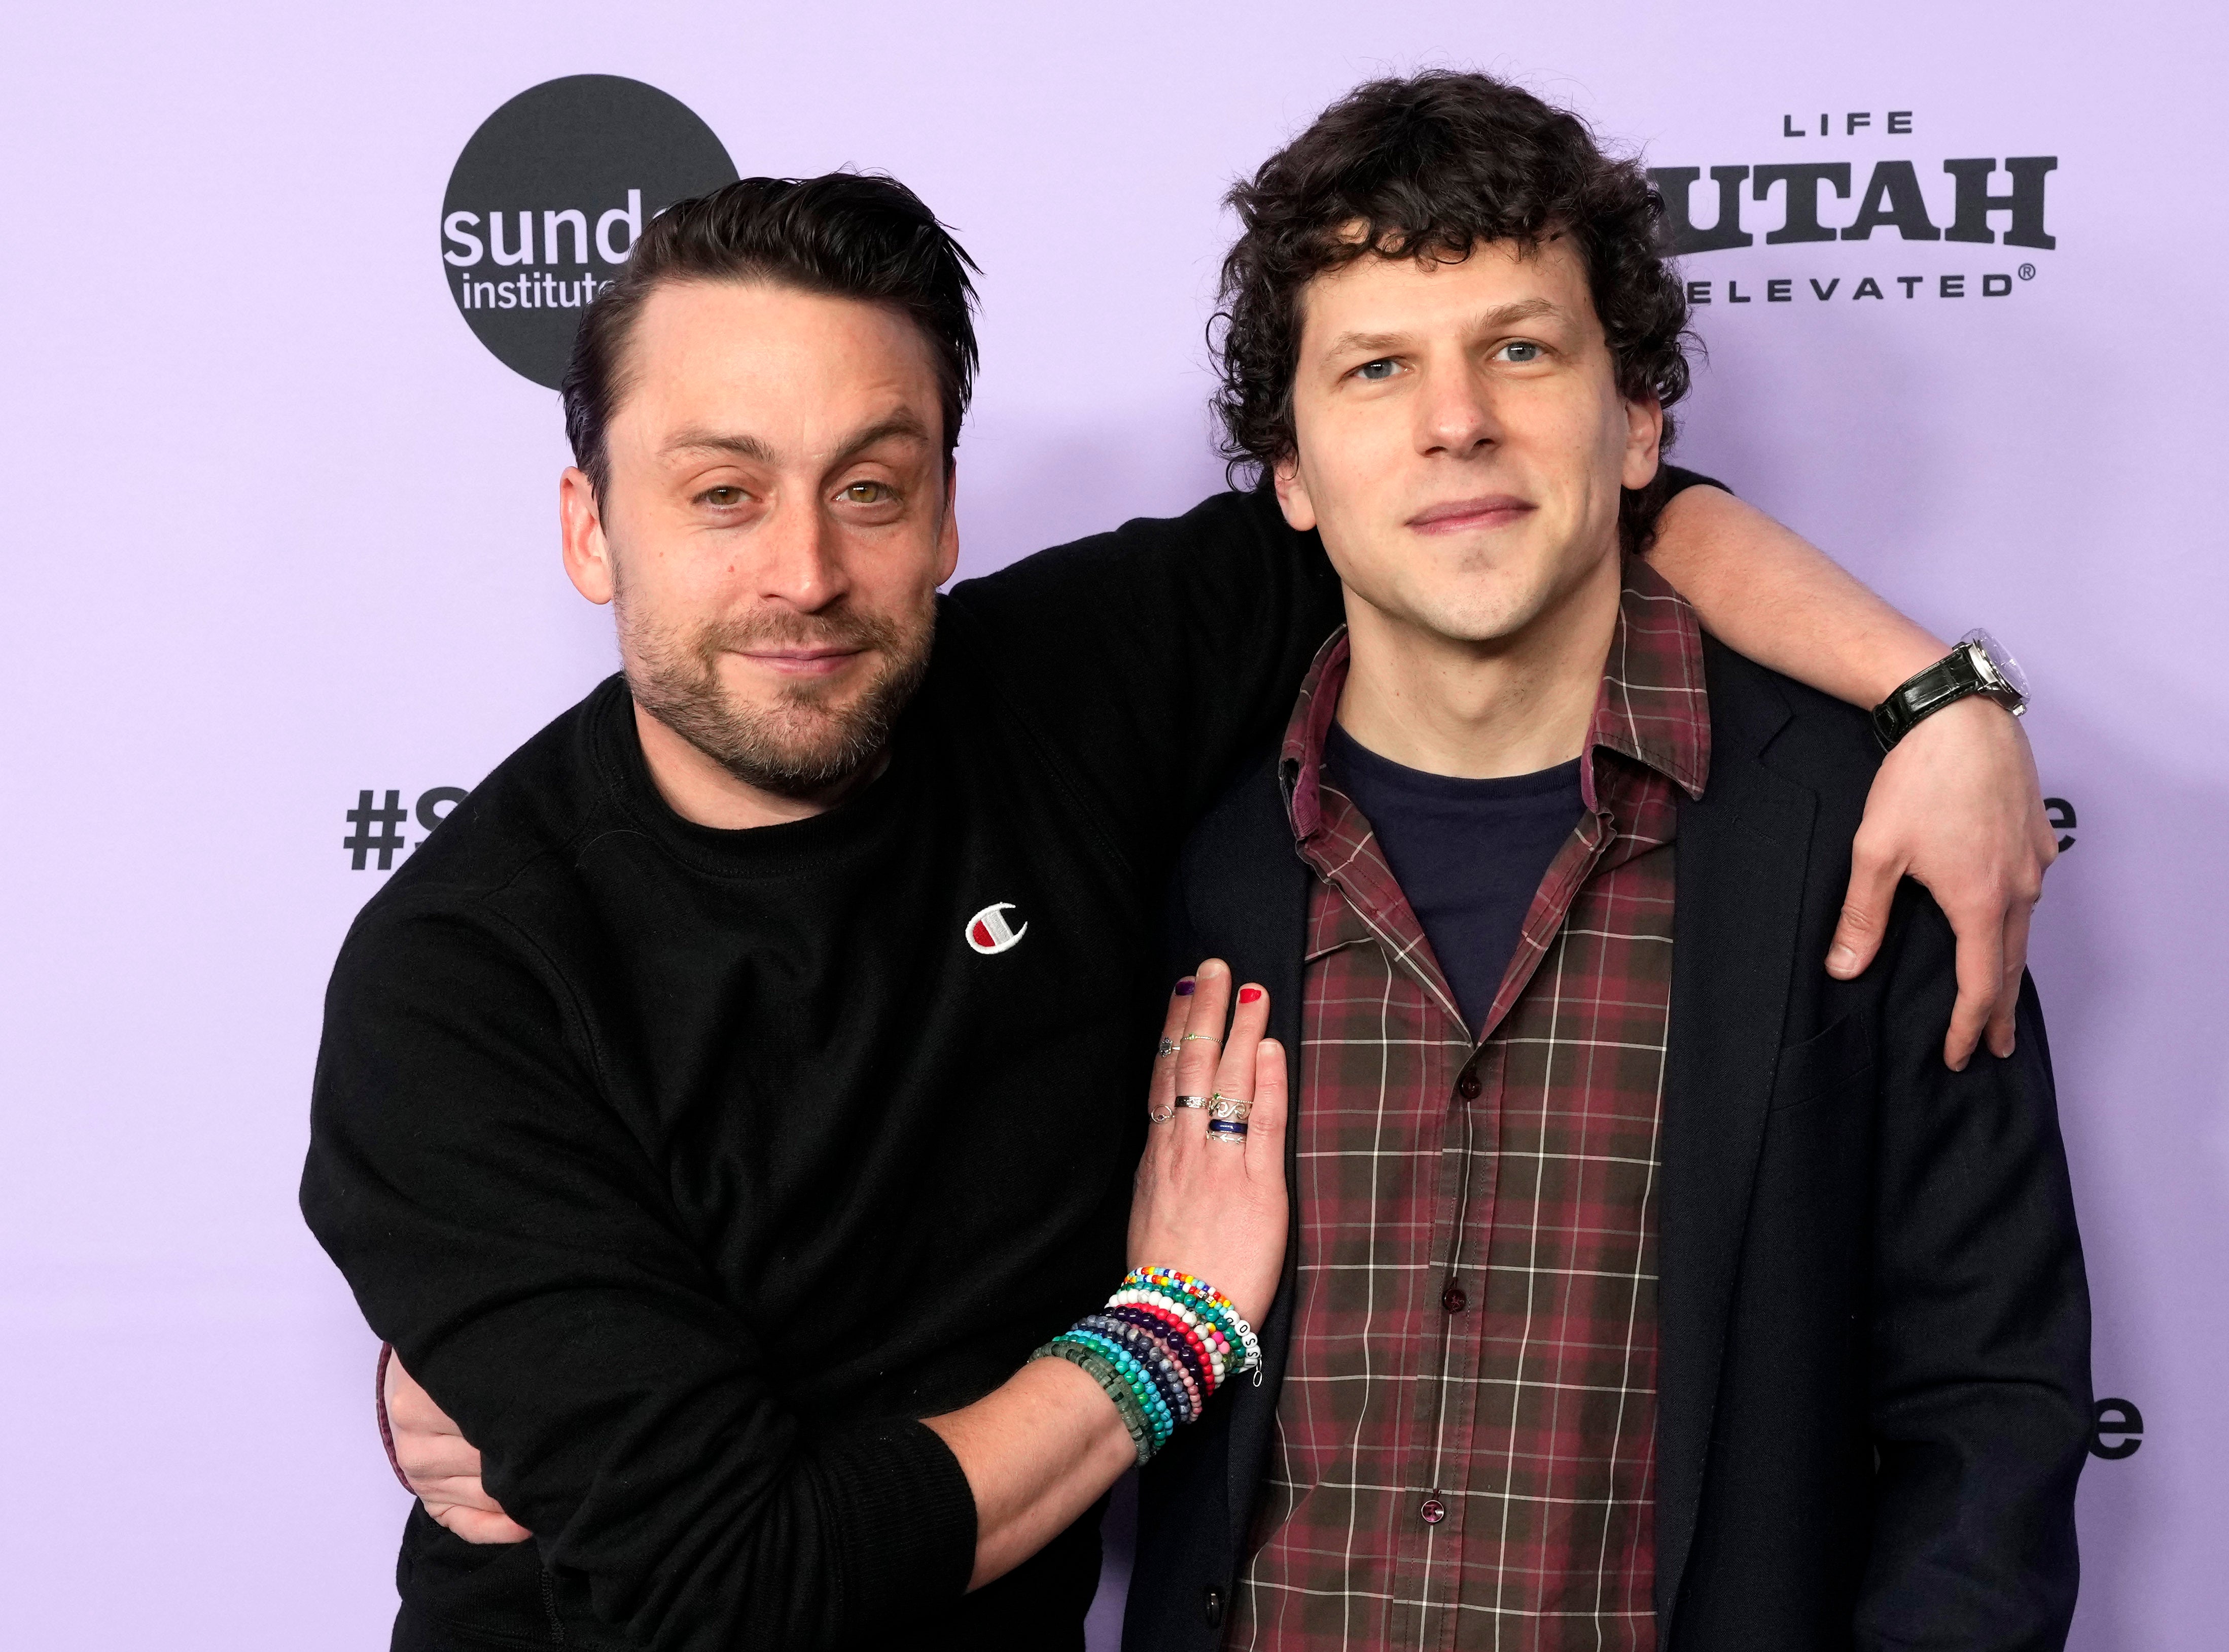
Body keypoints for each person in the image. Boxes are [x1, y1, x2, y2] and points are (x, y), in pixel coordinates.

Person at [308, 162, 2055, 1651]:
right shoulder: (460, 979)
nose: (803, 571)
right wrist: (1169, 1333)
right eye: (720, 493)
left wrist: (1936, 699)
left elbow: (1512, 502)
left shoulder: (1068, 688)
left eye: (870, 485)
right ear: (588, 527)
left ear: (944, 515)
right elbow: (740, 1577)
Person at [1125, 73, 2090, 1652]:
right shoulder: (1189, 853)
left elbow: (1989, 1406)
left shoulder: (1863, 837)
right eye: (1377, 367)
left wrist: (1951, 703)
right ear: (1291, 473)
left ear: (1639, 418)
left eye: (1521, 346)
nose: (1457, 419)